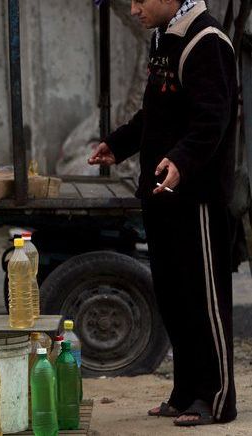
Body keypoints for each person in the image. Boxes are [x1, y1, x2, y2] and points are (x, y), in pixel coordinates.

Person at [88, 0, 237, 426]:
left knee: (205, 300)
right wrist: (118, 144)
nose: (133, 9)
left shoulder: (207, 41)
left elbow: (213, 119)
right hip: (161, 196)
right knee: (174, 300)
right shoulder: (163, 39)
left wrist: (182, 162)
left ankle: (218, 400)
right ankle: (187, 393)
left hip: (197, 199)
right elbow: (156, 114)